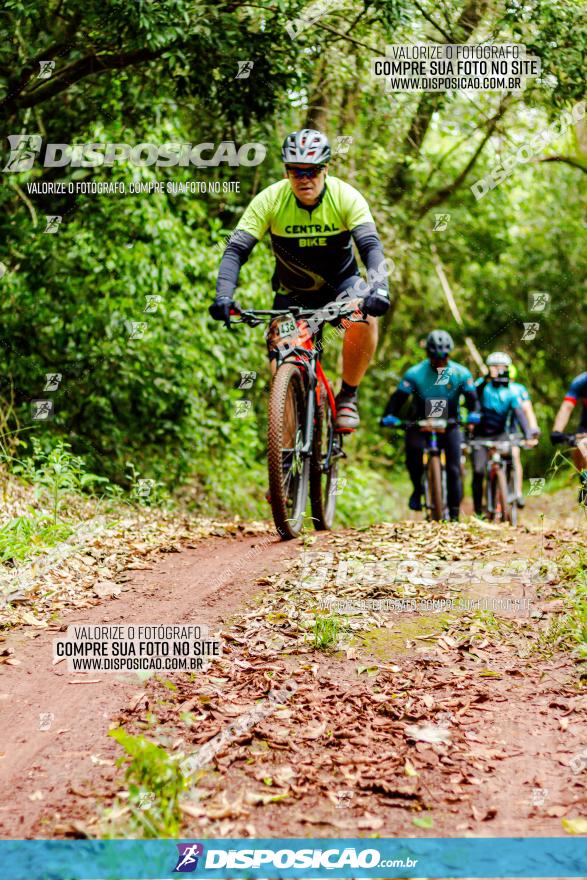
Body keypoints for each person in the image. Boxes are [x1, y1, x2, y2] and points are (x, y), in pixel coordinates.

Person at [208, 128, 390, 431]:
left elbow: (370, 246)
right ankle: (290, 460)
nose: (304, 178)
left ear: (326, 169)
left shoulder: (345, 196)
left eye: (312, 170)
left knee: (366, 319)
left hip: (342, 289)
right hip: (292, 296)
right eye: (296, 171)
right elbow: (236, 250)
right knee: (281, 373)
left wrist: (380, 288)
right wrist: (223, 295)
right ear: (286, 170)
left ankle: (348, 396)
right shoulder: (270, 200)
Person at [380, 330, 480, 521]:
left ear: (449, 355)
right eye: (435, 358)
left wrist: (475, 414)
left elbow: (473, 400)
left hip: (450, 424)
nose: (439, 362)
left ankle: (454, 513)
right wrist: (389, 416)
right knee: (414, 453)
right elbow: (398, 398)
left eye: (443, 357)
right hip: (419, 423)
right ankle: (418, 489)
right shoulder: (415, 374)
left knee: (454, 468)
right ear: (428, 356)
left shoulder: (461, 373)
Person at [472, 352, 535, 516]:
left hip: (501, 434)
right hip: (481, 436)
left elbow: (520, 413)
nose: (499, 371)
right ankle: (478, 510)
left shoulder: (512, 391)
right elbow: (473, 394)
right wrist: (487, 377)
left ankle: (513, 494)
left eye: (502, 368)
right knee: (478, 471)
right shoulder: (482, 385)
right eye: (495, 367)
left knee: (512, 459)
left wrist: (528, 434)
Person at [507, 364, 541, 506]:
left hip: (513, 430)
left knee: (514, 455)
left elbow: (528, 410)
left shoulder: (519, 390)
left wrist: (532, 430)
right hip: (495, 431)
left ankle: (518, 492)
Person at [550, 371, 587, 503]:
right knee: (579, 446)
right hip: (586, 425)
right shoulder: (581, 381)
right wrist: (557, 431)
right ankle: (584, 480)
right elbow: (567, 407)